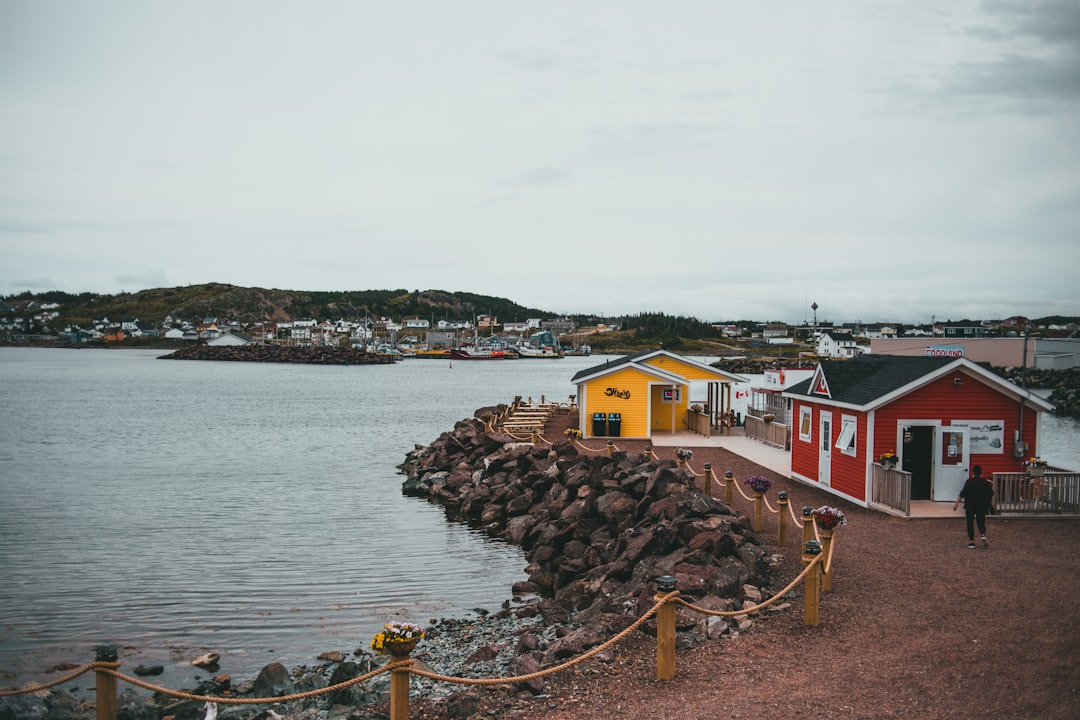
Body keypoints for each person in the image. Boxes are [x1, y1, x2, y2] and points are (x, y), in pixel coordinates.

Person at [953, 465, 994, 548]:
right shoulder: (984, 482)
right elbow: (991, 493)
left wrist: (956, 504)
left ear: (973, 472)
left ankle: (971, 542)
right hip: (981, 506)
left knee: (970, 523)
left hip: (970, 505)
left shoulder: (969, 482)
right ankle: (983, 534)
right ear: (981, 472)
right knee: (981, 522)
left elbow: (963, 493)